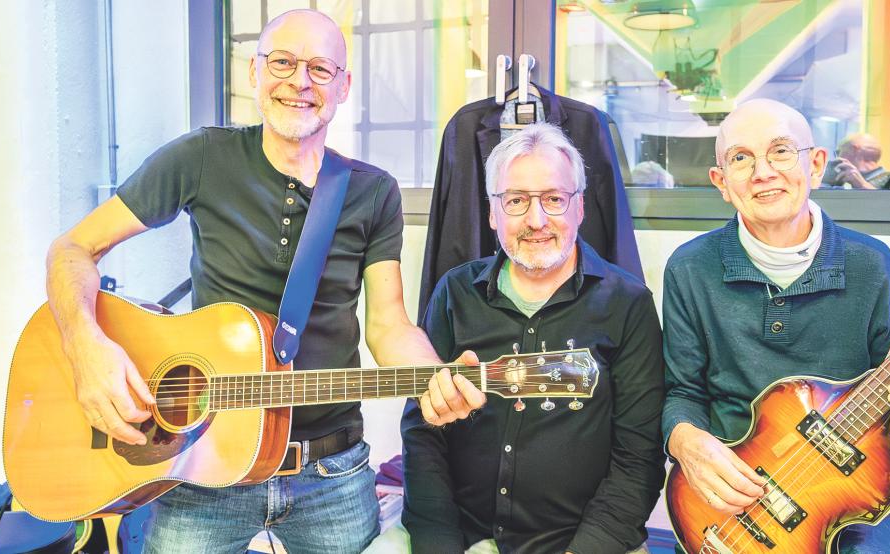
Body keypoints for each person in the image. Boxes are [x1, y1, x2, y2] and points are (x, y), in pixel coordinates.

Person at [45, 9, 484, 553]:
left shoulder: (374, 192)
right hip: (205, 462)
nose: (299, 81)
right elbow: (72, 249)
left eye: (320, 69)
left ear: (343, 86)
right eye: (282, 62)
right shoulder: (200, 157)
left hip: (332, 473)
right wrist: (86, 346)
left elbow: (388, 326)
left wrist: (435, 377)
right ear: (254, 72)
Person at [662, 98, 890, 552]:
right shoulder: (690, 268)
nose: (762, 172)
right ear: (720, 181)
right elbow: (682, 391)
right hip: (728, 511)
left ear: (815, 165)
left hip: (846, 510)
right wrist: (684, 442)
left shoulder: (875, 268)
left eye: (781, 151)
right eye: (741, 158)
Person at [389, 123, 666, 554]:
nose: (536, 221)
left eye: (554, 199)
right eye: (516, 201)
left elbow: (639, 458)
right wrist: (438, 544)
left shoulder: (628, 304)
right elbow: (423, 431)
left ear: (579, 208)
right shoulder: (455, 293)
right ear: (492, 213)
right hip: (461, 535)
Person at [824, 132, 889, 189]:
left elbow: (889, 202)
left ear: (853, 149)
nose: (837, 158)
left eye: (838, 152)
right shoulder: (852, 180)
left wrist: (862, 186)